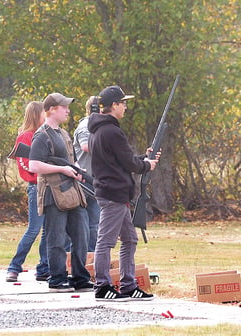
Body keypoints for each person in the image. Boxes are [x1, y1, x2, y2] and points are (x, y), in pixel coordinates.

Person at [88, 85, 159, 301]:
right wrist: (146, 165)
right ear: (114, 106)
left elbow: (120, 160)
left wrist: (142, 158)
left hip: (113, 192)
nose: (126, 107)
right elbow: (128, 163)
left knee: (129, 239)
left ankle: (128, 285)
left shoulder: (100, 130)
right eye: (123, 103)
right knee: (106, 241)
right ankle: (102, 286)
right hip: (113, 194)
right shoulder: (112, 131)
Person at [29, 92, 92, 293]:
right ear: (52, 109)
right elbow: (34, 165)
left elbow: (70, 160)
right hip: (52, 193)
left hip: (71, 191)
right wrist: (62, 169)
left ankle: (81, 278)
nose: (68, 110)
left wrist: (74, 170)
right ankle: (57, 279)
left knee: (81, 234)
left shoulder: (64, 134)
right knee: (56, 239)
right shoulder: (42, 135)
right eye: (64, 107)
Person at [6, 101, 49, 283]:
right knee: (34, 229)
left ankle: (44, 268)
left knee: (48, 230)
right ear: (36, 115)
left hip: (46, 187)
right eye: (43, 113)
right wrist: (40, 172)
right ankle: (14, 267)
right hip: (35, 187)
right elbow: (24, 164)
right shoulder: (26, 136)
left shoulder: (41, 135)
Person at [73, 96, 101, 252]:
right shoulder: (86, 125)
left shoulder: (97, 126)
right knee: (86, 224)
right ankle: (86, 259)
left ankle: (91, 259)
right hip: (84, 181)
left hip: (95, 180)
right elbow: (85, 146)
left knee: (94, 224)